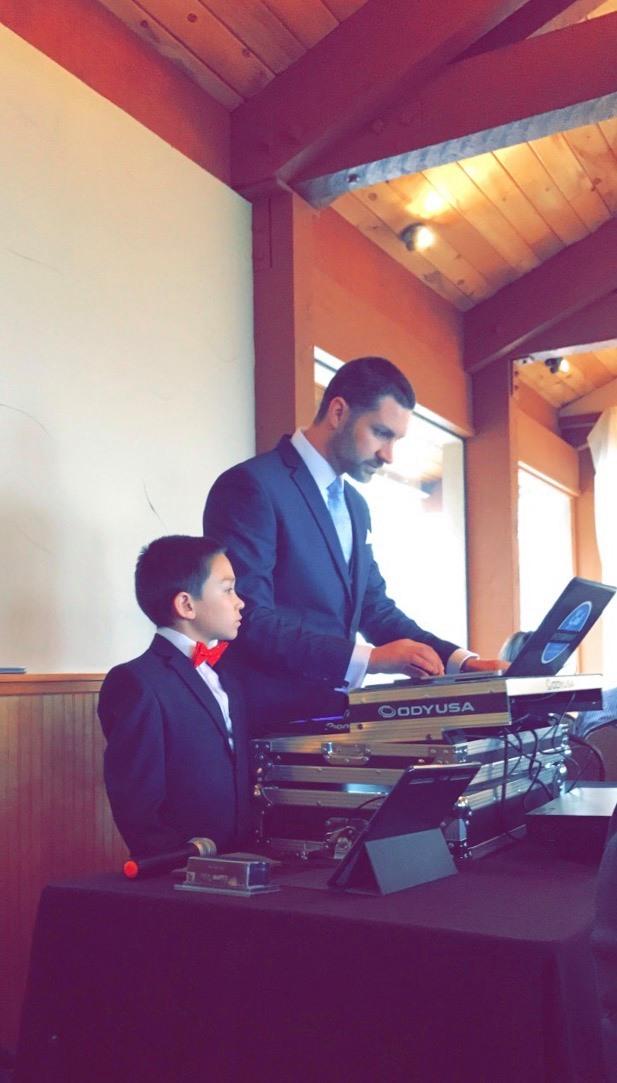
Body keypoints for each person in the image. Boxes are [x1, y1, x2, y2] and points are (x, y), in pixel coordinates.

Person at [204, 356, 501, 730]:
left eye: (395, 440)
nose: (388, 455)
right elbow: (247, 618)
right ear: (338, 412)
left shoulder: (356, 506)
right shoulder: (252, 486)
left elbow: (374, 610)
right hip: (266, 724)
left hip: (336, 721)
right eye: (381, 433)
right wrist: (370, 660)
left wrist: (462, 663)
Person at [98, 535, 250, 857]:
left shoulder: (227, 675)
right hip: (183, 868)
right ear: (186, 605)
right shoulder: (137, 682)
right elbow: (136, 802)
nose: (240, 602)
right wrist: (172, 860)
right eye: (227, 589)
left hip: (241, 859)